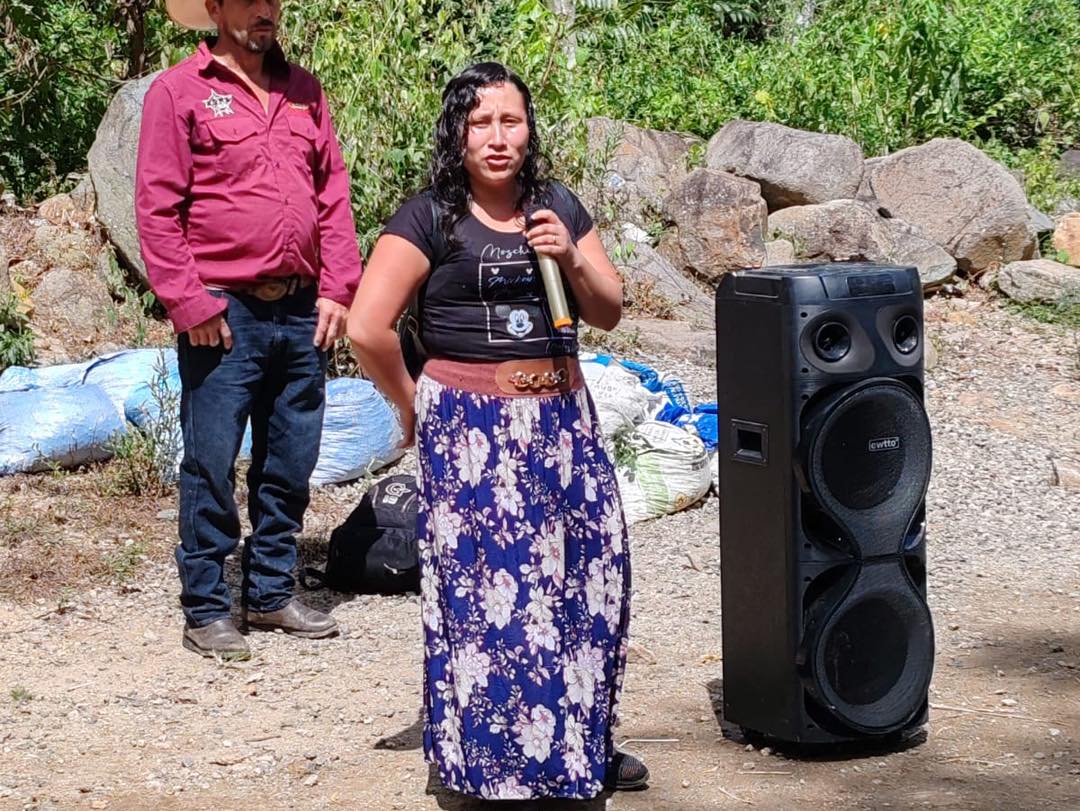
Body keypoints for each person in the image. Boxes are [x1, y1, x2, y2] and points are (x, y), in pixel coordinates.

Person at [348, 62, 648, 799]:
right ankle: (494, 765)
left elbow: (609, 310)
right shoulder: (429, 217)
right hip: (473, 430)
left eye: (510, 121)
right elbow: (366, 327)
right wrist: (412, 404)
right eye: (479, 123)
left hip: (563, 423)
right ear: (457, 134)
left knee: (587, 577)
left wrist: (570, 255)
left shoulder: (557, 206)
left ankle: (578, 746)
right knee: (494, 595)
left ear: (529, 130)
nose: (496, 137)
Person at [136, 0, 363, 660]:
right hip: (223, 314)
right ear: (213, 8)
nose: (265, 10)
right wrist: (190, 301)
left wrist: (339, 289)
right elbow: (156, 207)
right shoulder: (179, 92)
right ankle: (207, 607)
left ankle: (269, 592)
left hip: (302, 309)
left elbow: (333, 197)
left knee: (290, 458)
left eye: (273, 0)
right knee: (211, 462)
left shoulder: (304, 92)